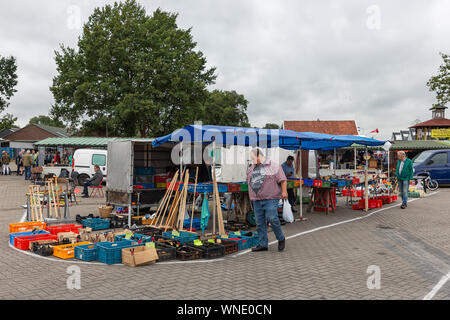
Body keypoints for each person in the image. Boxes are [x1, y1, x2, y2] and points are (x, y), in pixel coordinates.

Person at [247, 148, 287, 252]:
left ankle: (281, 238)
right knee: (259, 222)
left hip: (271, 198)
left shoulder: (273, 165)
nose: (252, 161)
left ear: (260, 156)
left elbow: (283, 179)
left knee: (272, 218)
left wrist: (284, 192)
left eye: (253, 158)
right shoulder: (252, 168)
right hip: (257, 199)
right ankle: (263, 244)